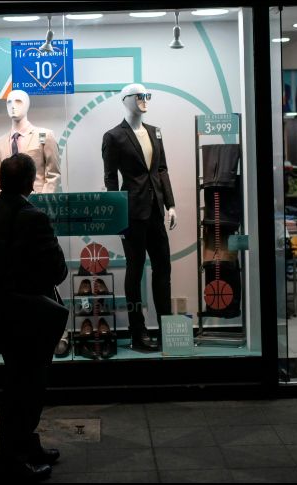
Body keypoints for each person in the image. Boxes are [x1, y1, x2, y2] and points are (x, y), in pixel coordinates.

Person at [0, 153, 68, 482]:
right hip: (27, 317)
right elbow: (58, 271)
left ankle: (27, 446)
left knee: (16, 383)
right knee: (26, 389)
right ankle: (10, 460)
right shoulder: (33, 217)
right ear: (30, 182)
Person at [102, 83, 177, 352]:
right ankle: (138, 332)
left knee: (163, 269)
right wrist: (115, 213)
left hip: (156, 210)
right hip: (131, 212)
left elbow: (162, 169)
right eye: (139, 96)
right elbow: (110, 177)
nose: (144, 100)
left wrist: (170, 204)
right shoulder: (113, 136)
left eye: (147, 95)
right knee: (135, 271)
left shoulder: (155, 132)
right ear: (126, 100)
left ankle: (168, 330)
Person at [0, 89, 61, 194]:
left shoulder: (45, 136)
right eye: (9, 102)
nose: (13, 106)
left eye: (18, 101)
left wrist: (43, 201)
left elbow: (53, 174)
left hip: (36, 202)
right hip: (8, 205)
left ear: (27, 105)